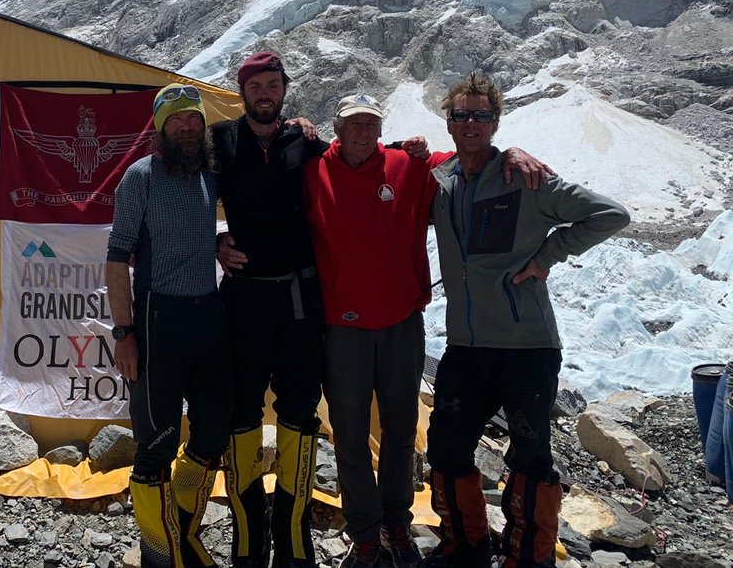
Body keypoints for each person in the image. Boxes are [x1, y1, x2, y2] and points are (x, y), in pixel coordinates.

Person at [304, 93, 548, 568]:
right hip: (342, 327)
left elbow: (473, 158)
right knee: (350, 433)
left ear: (381, 127)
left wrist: (512, 151)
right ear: (337, 127)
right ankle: (364, 531)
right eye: (353, 123)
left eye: (370, 123)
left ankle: (395, 521)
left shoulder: (410, 165)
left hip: (400, 324)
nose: (362, 132)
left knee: (399, 429)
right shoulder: (312, 171)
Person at [426, 72, 630, 568]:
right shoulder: (441, 180)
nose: (471, 123)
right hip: (467, 347)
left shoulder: (527, 178)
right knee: (447, 446)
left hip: (527, 346)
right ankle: (464, 548)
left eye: (482, 115)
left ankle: (527, 557)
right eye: (461, 114)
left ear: (496, 122)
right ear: (448, 123)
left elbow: (611, 214)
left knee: (531, 454)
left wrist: (547, 255)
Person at [211, 52, 329, 568]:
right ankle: (248, 540)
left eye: (273, 84)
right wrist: (216, 240)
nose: (265, 93)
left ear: (284, 90)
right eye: (256, 85)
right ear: (243, 91)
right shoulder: (219, 141)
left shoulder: (305, 141)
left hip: (301, 299)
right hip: (243, 297)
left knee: (299, 412)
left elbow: (361, 168)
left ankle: (294, 540)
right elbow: (184, 199)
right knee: (241, 411)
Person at [107, 82, 231, 568]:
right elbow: (116, 259)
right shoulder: (141, 176)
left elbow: (210, 227)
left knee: (212, 435)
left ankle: (181, 534)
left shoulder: (210, 174)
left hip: (209, 317)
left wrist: (220, 243)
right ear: (160, 127)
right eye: (175, 119)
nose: (186, 125)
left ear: (202, 125)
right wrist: (124, 334)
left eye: (193, 118)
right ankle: (159, 555)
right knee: (156, 443)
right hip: (158, 319)